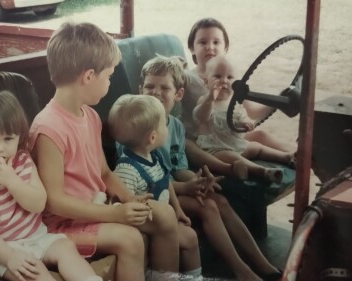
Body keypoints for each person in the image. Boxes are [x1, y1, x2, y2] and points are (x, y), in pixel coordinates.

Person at [29, 22, 181, 281]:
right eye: (108, 76)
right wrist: (114, 214)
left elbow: (104, 172)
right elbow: (54, 201)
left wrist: (129, 200)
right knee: (131, 239)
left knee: (164, 214)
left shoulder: (90, 116)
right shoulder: (48, 129)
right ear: (89, 76)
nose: (109, 83)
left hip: (97, 206)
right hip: (61, 227)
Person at [124, 55, 282, 281]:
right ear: (140, 90)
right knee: (207, 206)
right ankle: (241, 270)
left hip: (173, 188)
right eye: (149, 86)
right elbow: (142, 177)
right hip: (152, 196)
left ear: (178, 95)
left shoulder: (175, 126)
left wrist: (197, 180)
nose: (156, 93)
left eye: (164, 88)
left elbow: (179, 167)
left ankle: (260, 262)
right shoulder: (135, 126)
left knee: (219, 199)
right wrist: (185, 187)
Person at [0, 90, 103, 281]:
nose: (0, 148)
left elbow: (38, 203)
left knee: (66, 248)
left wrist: (12, 181)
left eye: (8, 139)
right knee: (32, 273)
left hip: (36, 236)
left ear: (19, 137)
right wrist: (10, 257)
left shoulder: (23, 160)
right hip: (0, 247)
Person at [181, 17, 296, 178]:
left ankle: (299, 156)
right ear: (192, 48)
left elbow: (253, 113)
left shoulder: (231, 79)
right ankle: (258, 171)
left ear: (225, 47)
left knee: (260, 135)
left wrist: (276, 101)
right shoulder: (187, 77)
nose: (210, 47)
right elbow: (170, 78)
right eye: (202, 42)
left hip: (227, 133)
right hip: (204, 139)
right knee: (201, 147)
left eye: (216, 42)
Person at [109, 94, 203, 279]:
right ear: (153, 137)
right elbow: (121, 208)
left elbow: (166, 182)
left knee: (190, 237)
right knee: (183, 239)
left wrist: (178, 211)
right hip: (146, 226)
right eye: (163, 125)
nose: (166, 129)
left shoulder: (155, 156)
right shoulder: (127, 170)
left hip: (163, 220)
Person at [194, 55, 295, 184]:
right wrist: (210, 99)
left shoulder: (236, 101)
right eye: (218, 76)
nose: (224, 81)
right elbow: (200, 117)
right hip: (216, 149)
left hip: (237, 144)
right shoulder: (205, 101)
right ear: (206, 81)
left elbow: (245, 118)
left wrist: (247, 123)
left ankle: (287, 156)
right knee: (232, 157)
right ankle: (262, 171)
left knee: (257, 147)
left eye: (230, 77)